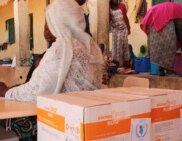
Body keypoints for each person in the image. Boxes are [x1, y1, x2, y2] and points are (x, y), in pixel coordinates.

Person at [0, 0, 104, 140]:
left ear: (58, 22)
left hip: (62, 124)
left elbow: (36, 91)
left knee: (9, 123)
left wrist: (6, 91)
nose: (47, 28)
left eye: (49, 22)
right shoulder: (91, 47)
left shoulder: (61, 48)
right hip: (87, 120)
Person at [141, 2, 182, 76]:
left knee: (161, 43)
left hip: (154, 13)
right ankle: (168, 70)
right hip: (162, 14)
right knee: (170, 43)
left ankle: (161, 70)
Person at [110, 0, 130, 68]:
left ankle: (127, 65)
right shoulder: (109, 8)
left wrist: (128, 29)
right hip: (116, 31)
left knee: (125, 47)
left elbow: (126, 18)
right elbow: (108, 20)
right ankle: (118, 66)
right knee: (117, 49)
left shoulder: (122, 6)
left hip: (124, 29)